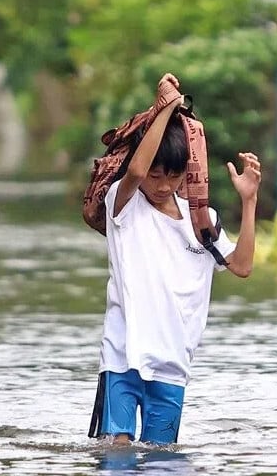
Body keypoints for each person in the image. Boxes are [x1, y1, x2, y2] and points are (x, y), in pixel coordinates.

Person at [88, 72, 261, 446]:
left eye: (173, 175)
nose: (162, 184)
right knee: (115, 452)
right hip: (122, 356)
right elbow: (135, 170)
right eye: (156, 175)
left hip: (172, 365)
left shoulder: (203, 221)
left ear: (186, 174)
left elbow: (243, 266)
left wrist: (249, 202)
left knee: (162, 463)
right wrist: (166, 110)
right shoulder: (125, 204)